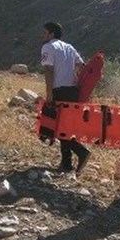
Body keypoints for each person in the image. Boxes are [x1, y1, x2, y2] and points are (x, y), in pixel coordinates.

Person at [41, 22, 91, 174]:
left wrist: (49, 93)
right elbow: (82, 65)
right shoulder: (70, 47)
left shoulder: (48, 47)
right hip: (72, 91)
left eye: (44, 33)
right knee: (65, 126)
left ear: (51, 34)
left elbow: (48, 70)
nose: (42, 35)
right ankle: (66, 163)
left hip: (59, 90)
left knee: (58, 126)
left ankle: (81, 152)